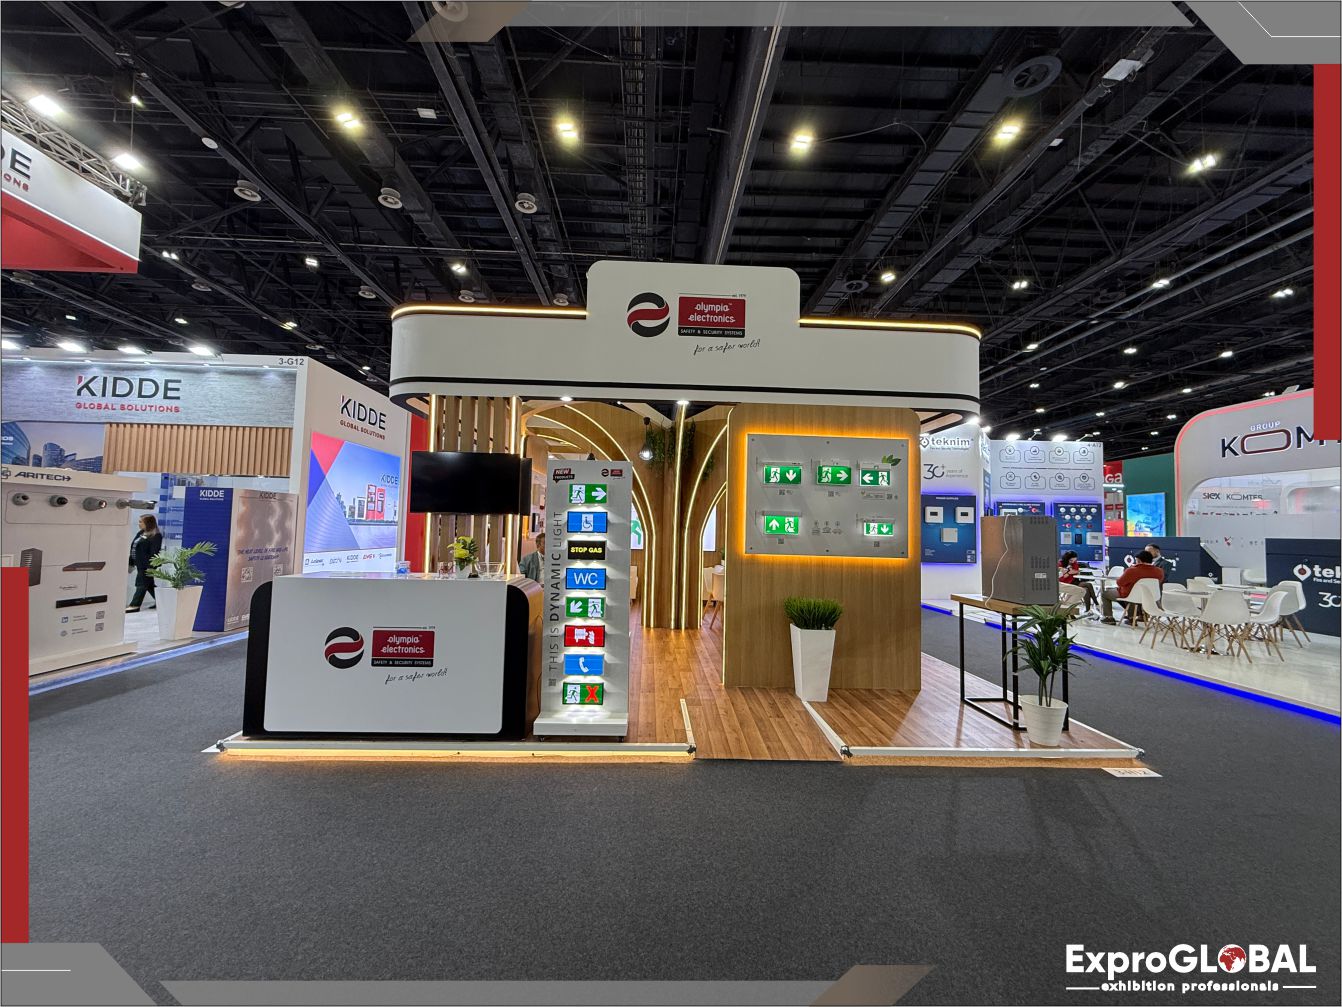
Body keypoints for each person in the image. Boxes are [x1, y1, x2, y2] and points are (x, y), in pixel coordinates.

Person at [1100, 549, 1165, 624]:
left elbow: (1119, 583)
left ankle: (1108, 617)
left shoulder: (1132, 570)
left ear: (1138, 560)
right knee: (1132, 595)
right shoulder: (1159, 571)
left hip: (1129, 595)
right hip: (1150, 596)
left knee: (1105, 594)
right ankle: (1131, 618)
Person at [126, 514, 163, 612]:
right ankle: (163, 602)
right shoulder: (140, 533)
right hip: (139, 563)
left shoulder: (156, 536)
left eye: (141, 522)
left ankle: (135, 605)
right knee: (149, 585)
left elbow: (154, 552)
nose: (139, 523)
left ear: (148, 523)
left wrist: (151, 566)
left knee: (141, 583)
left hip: (147, 565)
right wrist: (131, 562)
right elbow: (134, 547)